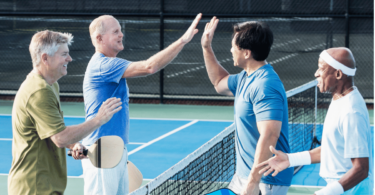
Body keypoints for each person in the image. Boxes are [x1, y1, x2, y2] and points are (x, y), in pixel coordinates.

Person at [81, 14, 202, 195]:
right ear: (99, 38)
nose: (121, 34)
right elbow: (149, 67)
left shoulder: (111, 65)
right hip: (102, 152)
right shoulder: (103, 65)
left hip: (114, 150)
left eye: (120, 30)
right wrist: (183, 40)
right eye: (115, 31)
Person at [8, 30, 122, 195]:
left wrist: (74, 144)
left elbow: (53, 133)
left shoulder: (50, 85)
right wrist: (99, 119)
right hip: (34, 188)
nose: (69, 59)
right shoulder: (39, 91)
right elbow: (61, 138)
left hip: (45, 186)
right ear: (45, 58)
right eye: (64, 54)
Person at [256, 47, 373, 195]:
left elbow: (361, 169)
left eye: (322, 69)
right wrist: (290, 160)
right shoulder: (339, 99)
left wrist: (323, 193)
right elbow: (331, 150)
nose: (316, 73)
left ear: (338, 74)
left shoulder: (351, 111)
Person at [201, 17, 293, 195]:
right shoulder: (245, 77)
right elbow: (219, 82)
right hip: (245, 176)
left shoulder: (265, 85)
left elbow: (270, 135)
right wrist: (206, 47)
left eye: (234, 47)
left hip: (266, 182)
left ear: (246, 53)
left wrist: (252, 182)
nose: (230, 50)